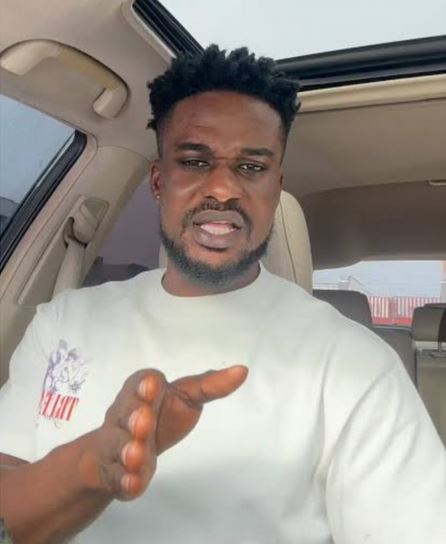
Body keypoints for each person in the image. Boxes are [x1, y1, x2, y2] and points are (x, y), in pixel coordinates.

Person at [0, 45, 445, 544]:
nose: (223, 189)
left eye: (251, 168)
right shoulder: (63, 321)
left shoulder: (352, 362)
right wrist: (90, 466)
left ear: (277, 189)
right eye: (195, 161)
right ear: (158, 181)